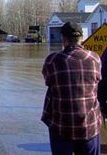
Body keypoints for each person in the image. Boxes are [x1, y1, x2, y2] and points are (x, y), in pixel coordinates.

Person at [42, 21, 102, 155]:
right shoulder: (95, 59)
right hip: (89, 126)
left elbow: (48, 80)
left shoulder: (52, 60)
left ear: (63, 39)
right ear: (81, 38)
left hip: (61, 127)